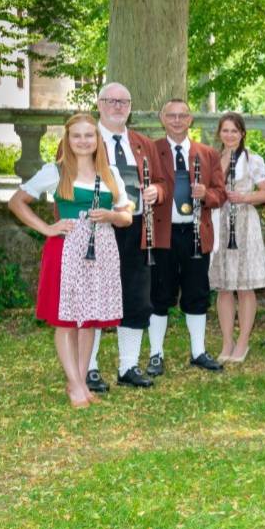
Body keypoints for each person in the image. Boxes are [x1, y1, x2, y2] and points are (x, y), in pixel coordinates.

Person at [9, 114, 132, 407]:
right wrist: (47, 228)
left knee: (88, 319)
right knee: (66, 319)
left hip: (101, 249)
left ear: (97, 139)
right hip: (66, 250)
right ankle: (76, 385)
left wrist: (112, 216)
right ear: (67, 139)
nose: (83, 141)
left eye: (89, 135)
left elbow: (127, 215)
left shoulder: (110, 172)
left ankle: (79, 381)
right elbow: (16, 201)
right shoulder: (56, 171)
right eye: (76, 136)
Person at [93, 82, 167, 390]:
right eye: (111, 100)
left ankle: (128, 366)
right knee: (93, 298)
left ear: (131, 107)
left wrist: (157, 191)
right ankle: (90, 367)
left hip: (137, 229)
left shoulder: (142, 143)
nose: (118, 106)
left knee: (136, 297)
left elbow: (163, 180)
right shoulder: (84, 137)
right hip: (96, 228)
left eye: (124, 101)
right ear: (99, 104)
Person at [148, 99, 227, 374]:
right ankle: (156, 354)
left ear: (191, 119)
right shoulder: (151, 150)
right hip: (163, 233)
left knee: (197, 293)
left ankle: (198, 351)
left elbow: (221, 194)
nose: (177, 120)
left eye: (183, 115)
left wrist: (207, 195)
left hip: (195, 234)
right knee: (159, 294)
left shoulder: (208, 154)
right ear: (163, 118)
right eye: (172, 115)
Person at [209, 113, 265, 365]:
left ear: (242, 134)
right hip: (219, 222)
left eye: (234, 131)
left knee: (244, 286)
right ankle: (227, 341)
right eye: (225, 131)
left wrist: (245, 198)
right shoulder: (212, 159)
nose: (229, 135)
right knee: (224, 286)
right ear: (219, 133)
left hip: (244, 223)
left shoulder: (253, 159)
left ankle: (243, 341)